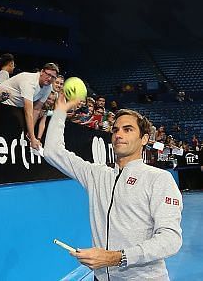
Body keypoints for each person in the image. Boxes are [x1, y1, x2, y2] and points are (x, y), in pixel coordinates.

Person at [43, 94, 182, 280]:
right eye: (115, 130)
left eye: (128, 129)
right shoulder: (97, 174)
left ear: (144, 139)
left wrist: (116, 258)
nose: (118, 134)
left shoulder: (159, 179)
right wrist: (59, 113)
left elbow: (171, 239)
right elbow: (53, 152)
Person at [1, 62, 58, 149]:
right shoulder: (30, 81)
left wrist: (29, 133)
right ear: (42, 72)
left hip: (15, 107)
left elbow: (36, 109)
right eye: (48, 74)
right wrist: (32, 137)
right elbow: (28, 112)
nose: (49, 78)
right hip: (0, 102)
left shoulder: (48, 87)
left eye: (53, 77)